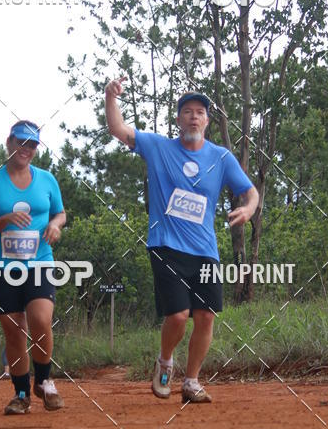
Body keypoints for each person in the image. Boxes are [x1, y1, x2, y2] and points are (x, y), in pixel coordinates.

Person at [105, 79, 259, 404]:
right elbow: (118, 128)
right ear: (178, 120)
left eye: (199, 112)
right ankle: (164, 361)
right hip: (166, 245)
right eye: (187, 112)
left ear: (206, 121)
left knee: (205, 316)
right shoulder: (158, 147)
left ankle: (191, 381)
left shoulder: (221, 157)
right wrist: (110, 97)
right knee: (177, 315)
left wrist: (248, 208)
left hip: (205, 250)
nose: (193, 117)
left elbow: (250, 191)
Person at [0, 120, 67, 415]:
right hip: (2, 267)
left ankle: (44, 382)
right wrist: (5, 221)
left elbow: (60, 213)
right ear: (9, 142)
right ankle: (20, 393)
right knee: (15, 331)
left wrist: (55, 224)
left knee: (41, 321)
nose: (26, 149)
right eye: (21, 142)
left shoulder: (47, 180)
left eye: (32, 145)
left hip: (39, 261)